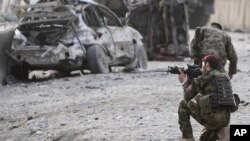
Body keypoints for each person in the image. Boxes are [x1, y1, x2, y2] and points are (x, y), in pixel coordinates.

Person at [178, 54, 237, 141]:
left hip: (212, 120)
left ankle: (187, 138)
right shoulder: (225, 77)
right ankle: (223, 133)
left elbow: (187, 97)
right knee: (203, 138)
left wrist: (184, 82)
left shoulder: (203, 79)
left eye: (203, 64)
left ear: (207, 65)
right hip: (224, 121)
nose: (202, 67)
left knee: (183, 105)